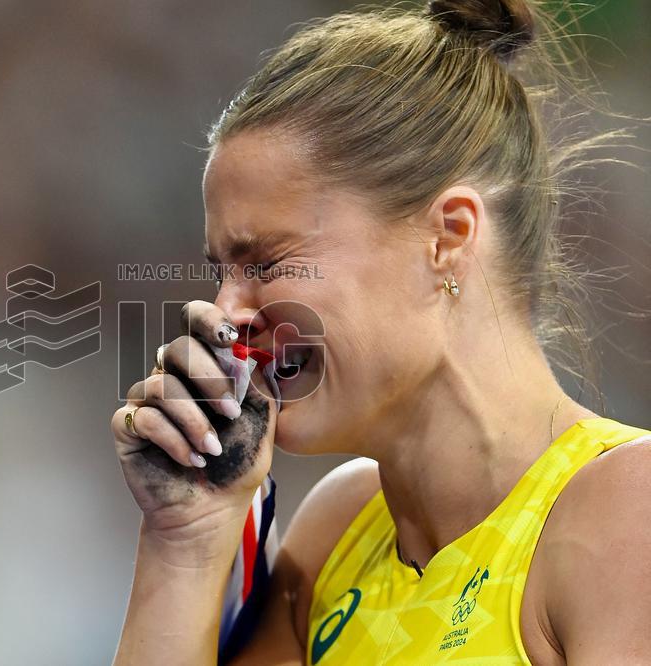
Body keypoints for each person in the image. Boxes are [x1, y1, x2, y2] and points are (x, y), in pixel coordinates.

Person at [109, 0, 651, 663]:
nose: (224, 313)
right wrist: (185, 545)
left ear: (447, 238)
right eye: (222, 271)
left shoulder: (628, 510)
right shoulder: (336, 533)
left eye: (267, 262)